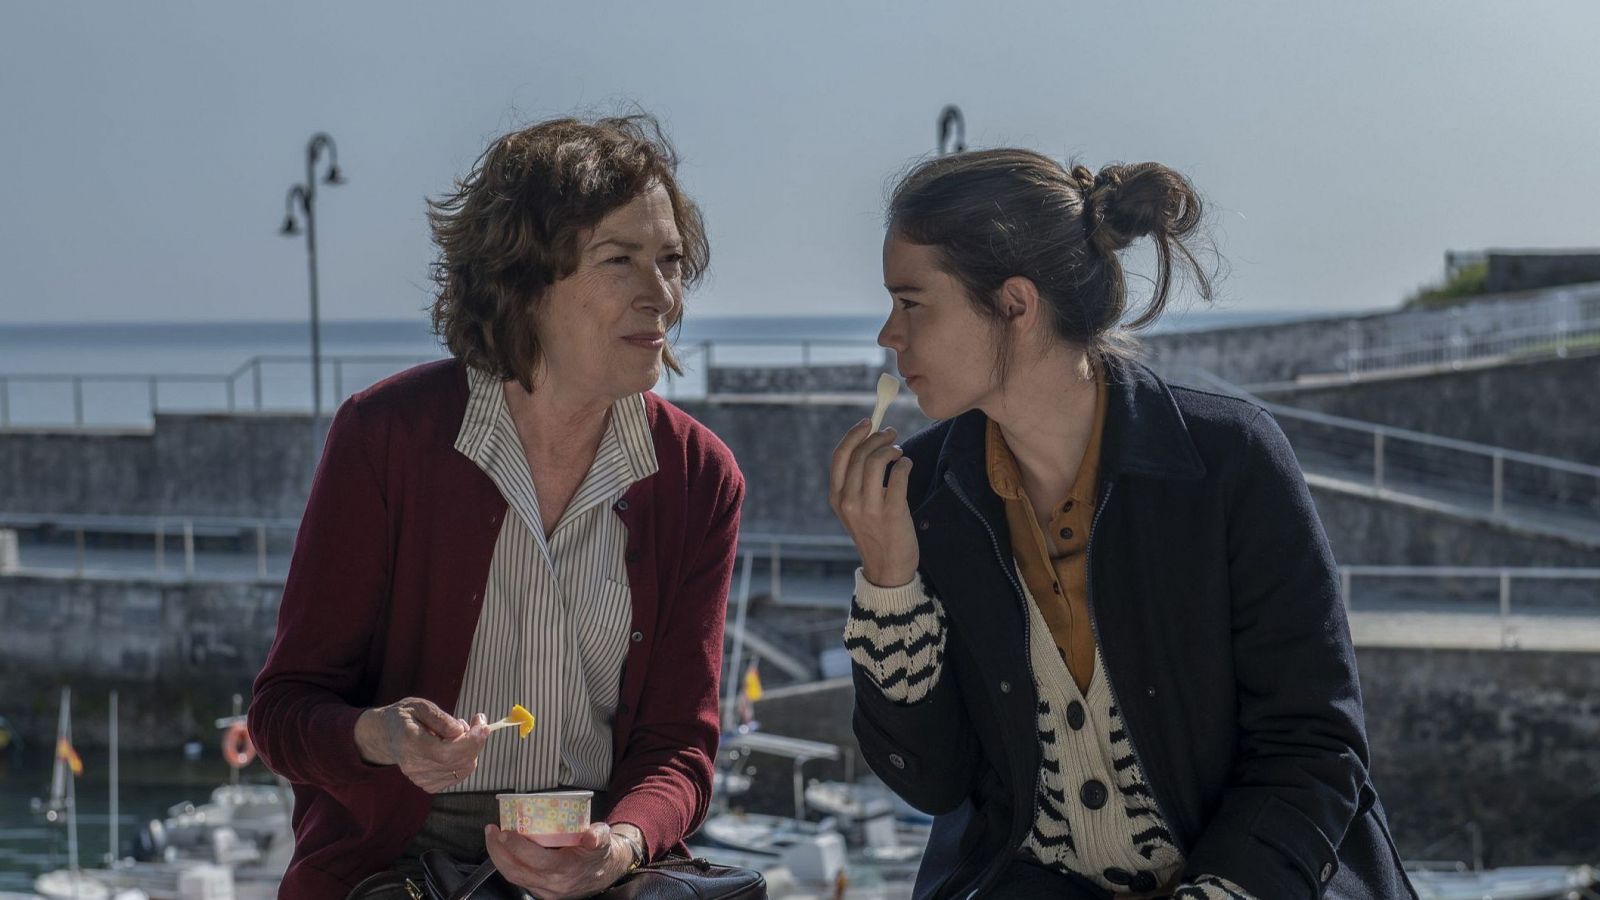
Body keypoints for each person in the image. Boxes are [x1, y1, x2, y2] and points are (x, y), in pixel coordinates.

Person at [831, 149, 1415, 899]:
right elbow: (934, 780)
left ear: (1015, 303)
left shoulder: (1231, 460)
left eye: (911, 302)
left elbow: (1314, 746)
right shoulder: (923, 494)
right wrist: (889, 580)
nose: (888, 334)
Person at [248, 115, 744, 900]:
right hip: (398, 862)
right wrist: (382, 737)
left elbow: (680, 747)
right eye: (621, 260)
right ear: (524, 283)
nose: (663, 296)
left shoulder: (697, 477)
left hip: (596, 856)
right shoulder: (387, 438)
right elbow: (282, 713)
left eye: (672, 261)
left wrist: (618, 844)